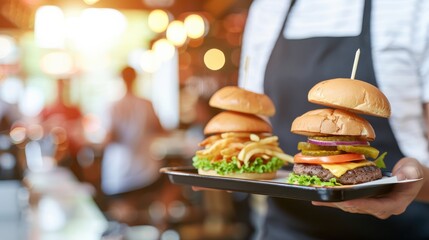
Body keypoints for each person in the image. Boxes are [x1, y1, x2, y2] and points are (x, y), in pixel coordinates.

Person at [237, 0, 429, 239]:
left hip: (405, 228)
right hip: (287, 230)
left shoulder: (414, 6)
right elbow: (255, 125)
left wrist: (418, 180)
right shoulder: (269, 7)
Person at [101, 65, 167, 225]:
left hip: (120, 172)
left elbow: (109, 138)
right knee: (143, 217)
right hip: (146, 170)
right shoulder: (146, 103)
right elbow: (161, 129)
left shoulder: (113, 106)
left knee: (123, 218)